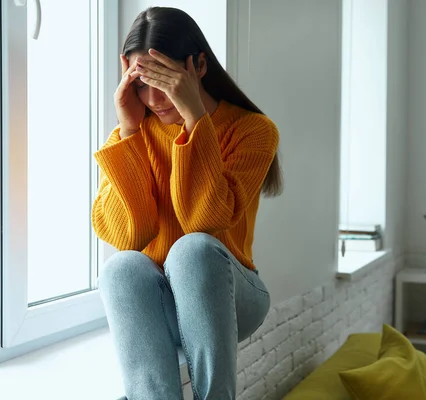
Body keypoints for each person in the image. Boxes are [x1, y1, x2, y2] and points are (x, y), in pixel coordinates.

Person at [92, 6, 283, 400]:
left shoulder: (253, 131)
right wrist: (128, 131)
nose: (154, 98)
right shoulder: (137, 129)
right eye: (142, 83)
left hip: (231, 295)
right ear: (126, 71)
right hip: (162, 302)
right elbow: (129, 236)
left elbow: (205, 220)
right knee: (121, 268)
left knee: (191, 250)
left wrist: (195, 120)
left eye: (165, 81)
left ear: (197, 65)